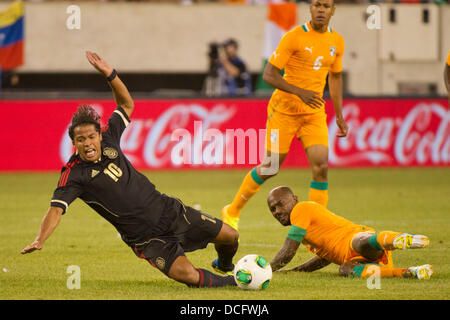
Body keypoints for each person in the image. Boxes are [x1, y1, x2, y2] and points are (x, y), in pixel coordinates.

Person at [21, 51, 239, 288]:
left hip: (170, 212)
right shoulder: (74, 174)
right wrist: (40, 239)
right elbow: (55, 211)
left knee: (230, 235)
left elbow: (126, 104)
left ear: (99, 134)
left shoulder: (110, 138)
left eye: (91, 136)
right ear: (74, 143)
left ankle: (225, 264)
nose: (87, 143)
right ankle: (235, 283)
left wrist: (110, 74)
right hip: (147, 239)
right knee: (187, 276)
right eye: (81, 139)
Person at [218, 0, 348, 241]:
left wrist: (339, 115)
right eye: (317, 5)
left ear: (333, 11)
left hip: (313, 113)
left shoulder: (337, 41)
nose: (321, 9)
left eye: (326, 6)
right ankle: (232, 209)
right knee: (270, 167)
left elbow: (336, 77)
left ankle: (316, 227)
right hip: (284, 111)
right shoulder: (294, 37)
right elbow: (269, 74)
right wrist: (299, 91)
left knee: (321, 167)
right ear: (310, 8)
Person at [267, 186, 434, 280]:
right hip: (358, 259)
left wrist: (267, 269)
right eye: (272, 209)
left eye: (280, 204)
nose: (277, 211)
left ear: (294, 199)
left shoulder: (301, 209)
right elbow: (325, 257)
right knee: (345, 270)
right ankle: (411, 271)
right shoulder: (306, 230)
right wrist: (296, 271)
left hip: (358, 239)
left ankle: (401, 239)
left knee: (359, 242)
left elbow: (288, 250)